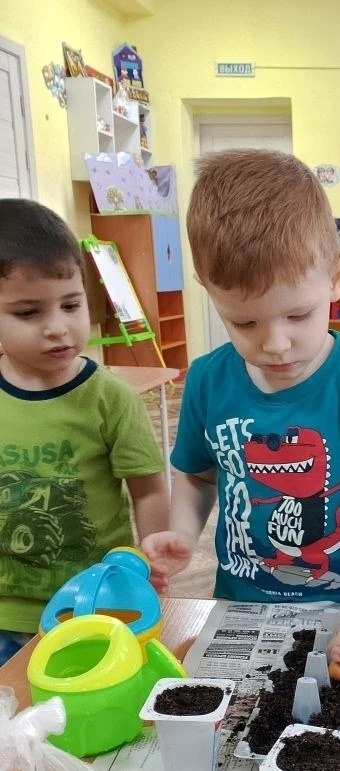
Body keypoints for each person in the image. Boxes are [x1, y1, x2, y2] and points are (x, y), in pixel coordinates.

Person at [141, 149, 340, 667]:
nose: (275, 344)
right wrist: (183, 534)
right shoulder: (208, 380)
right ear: (208, 290)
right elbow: (198, 475)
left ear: (336, 278)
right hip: (240, 608)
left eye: (298, 315)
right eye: (244, 323)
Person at [0, 198, 169, 665]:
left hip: (96, 604)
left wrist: (152, 555)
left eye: (71, 305)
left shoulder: (110, 398)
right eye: (28, 313)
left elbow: (149, 489)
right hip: (6, 612)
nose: (58, 328)